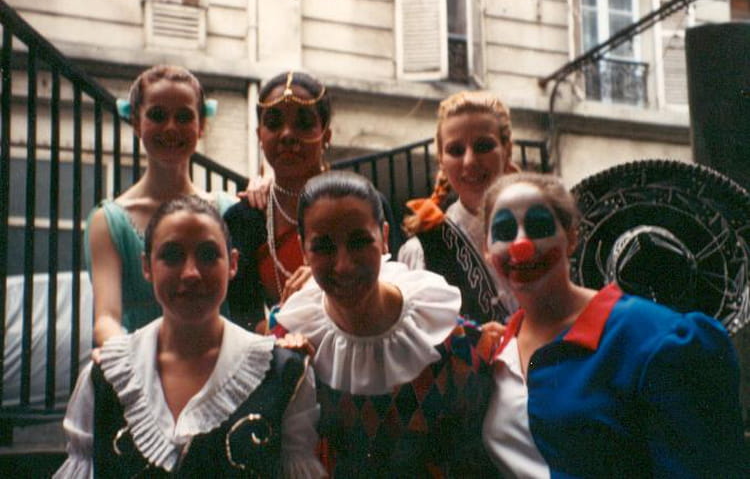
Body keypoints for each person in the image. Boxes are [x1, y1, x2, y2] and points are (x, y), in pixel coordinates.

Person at [480, 172, 745, 477]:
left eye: (539, 226)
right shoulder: (495, 350)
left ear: (571, 238)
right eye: (504, 231)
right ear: (487, 250)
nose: (521, 245)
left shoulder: (657, 339)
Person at [55, 196, 324, 478]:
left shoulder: (282, 373)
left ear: (233, 264)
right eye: (172, 256)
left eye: (208, 255)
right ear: (147, 266)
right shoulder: (105, 378)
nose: (191, 273)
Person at [271, 171, 495, 477]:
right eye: (323, 247)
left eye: (359, 242)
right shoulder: (288, 338)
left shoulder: (449, 340)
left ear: (385, 237)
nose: (343, 265)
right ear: (303, 250)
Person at [224, 71, 402, 332]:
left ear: (326, 136)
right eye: (274, 123)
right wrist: (286, 336)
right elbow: (244, 316)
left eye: (303, 123)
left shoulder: (365, 206)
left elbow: (396, 283)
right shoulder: (243, 218)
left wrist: (321, 284)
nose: (287, 134)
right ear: (259, 135)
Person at [86, 65, 236, 346]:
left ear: (201, 125)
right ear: (136, 123)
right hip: (140, 365)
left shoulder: (230, 210)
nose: (171, 127)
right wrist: (131, 360)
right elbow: (106, 318)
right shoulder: (108, 221)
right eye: (157, 115)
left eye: (183, 116)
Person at [398, 91, 517, 324]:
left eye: (483, 146)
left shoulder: (543, 232)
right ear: (441, 160)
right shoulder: (423, 251)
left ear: (507, 151)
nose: (470, 161)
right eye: (456, 150)